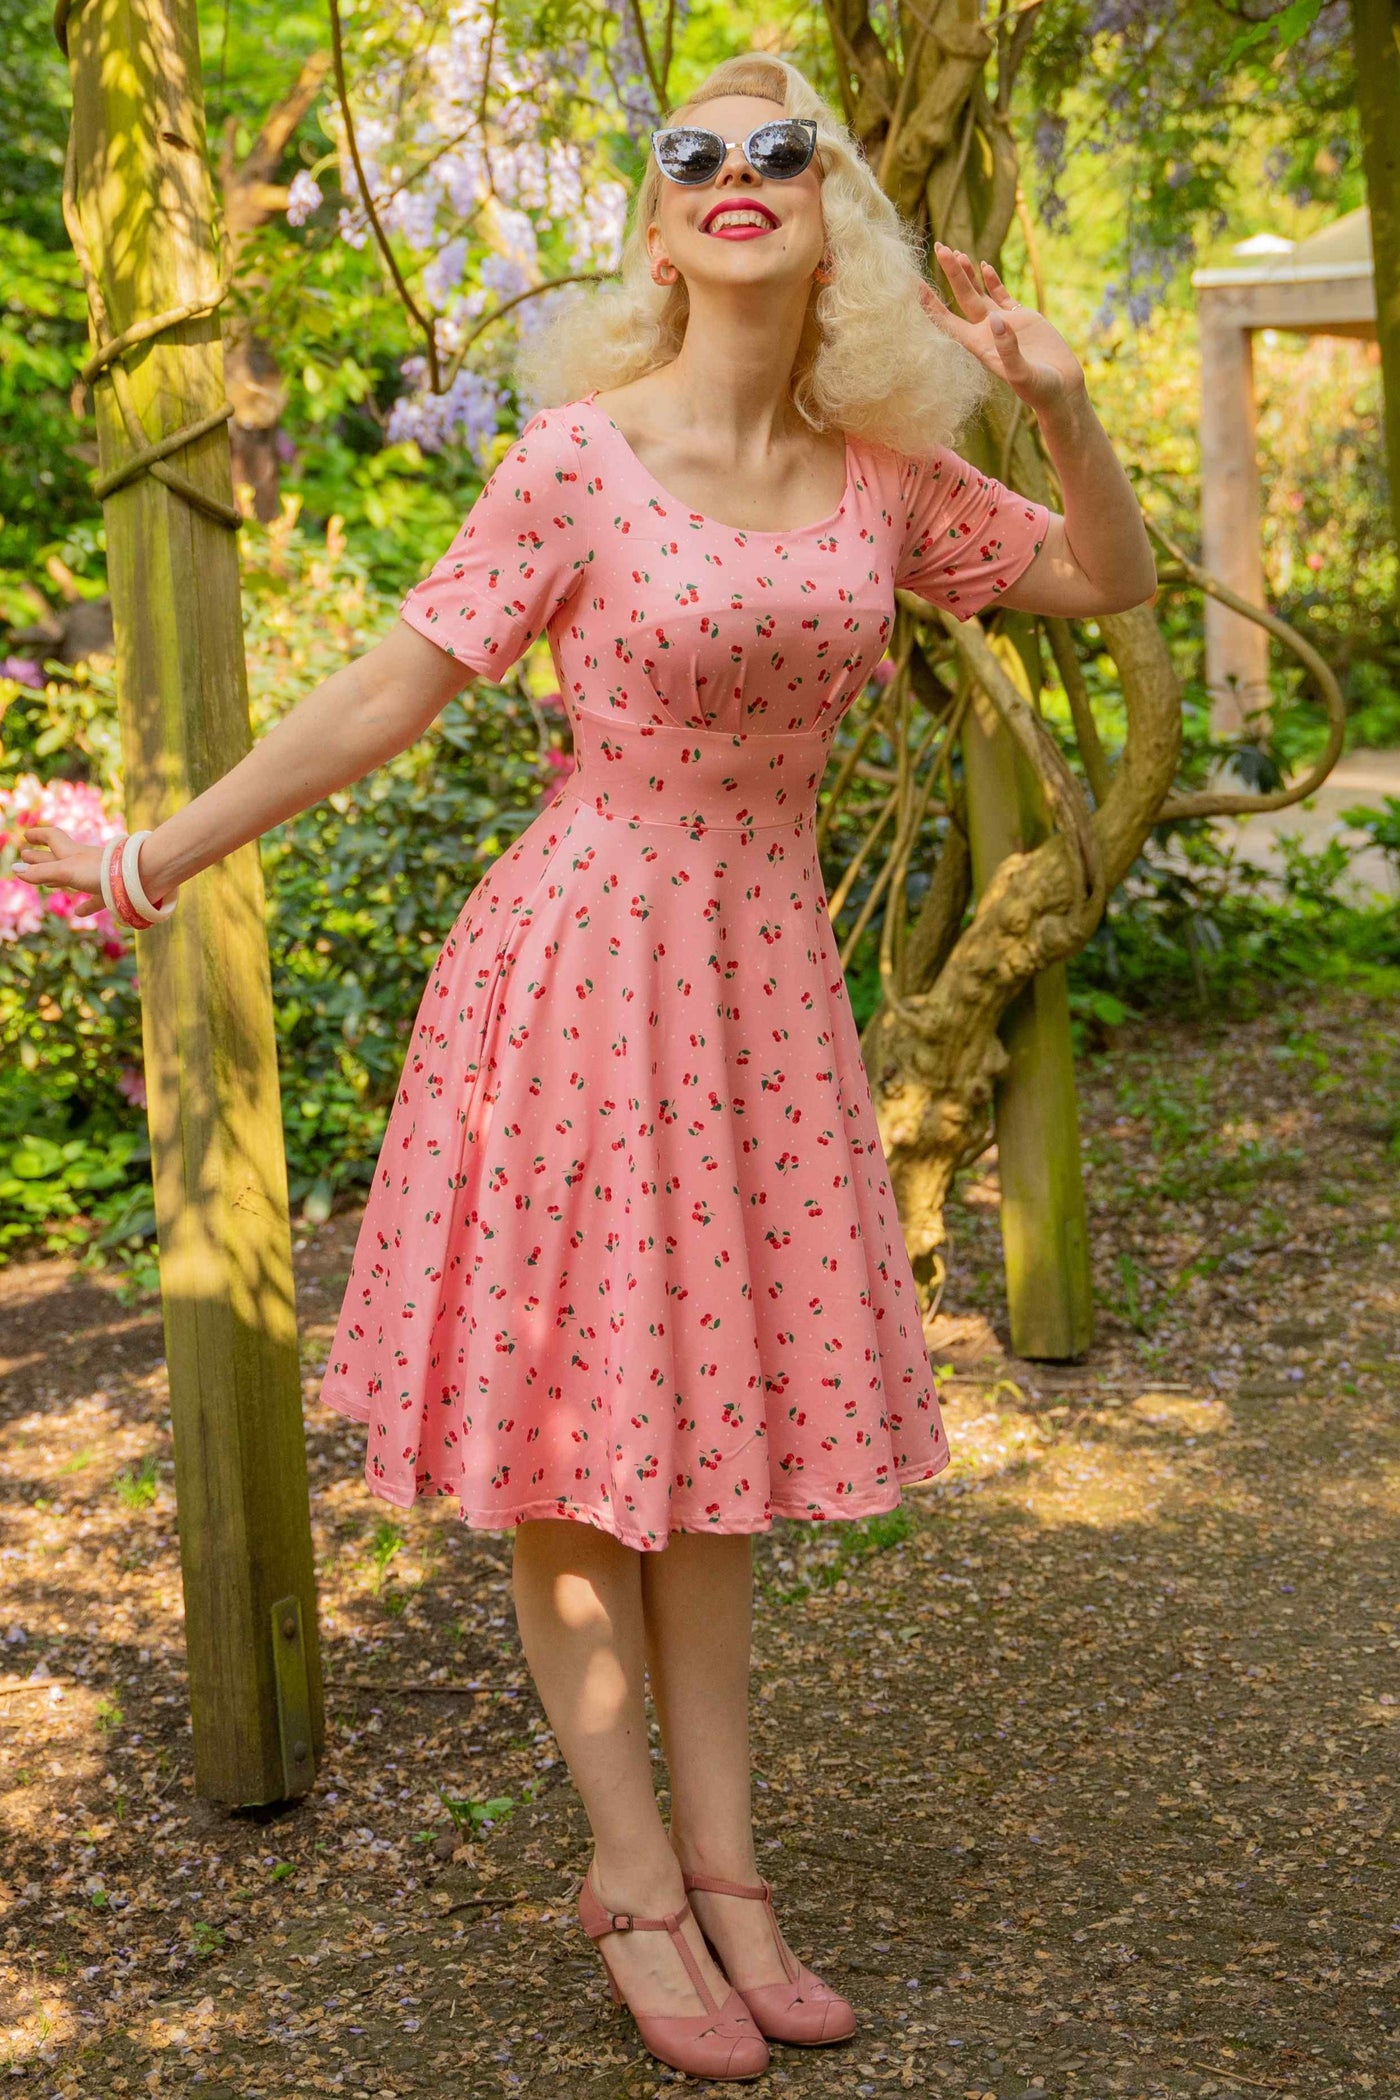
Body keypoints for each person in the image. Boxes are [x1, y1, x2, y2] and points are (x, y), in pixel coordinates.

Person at [17, 49, 1156, 2085]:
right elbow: (391, 686)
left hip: (757, 994)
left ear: (832, 228)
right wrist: (158, 855)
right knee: (578, 1446)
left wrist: (1059, 399)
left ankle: (729, 1877)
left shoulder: (883, 474)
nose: (736, 174)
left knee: (707, 1457)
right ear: (653, 226)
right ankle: (629, 1872)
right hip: (577, 974)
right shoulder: (573, 459)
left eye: (780, 154)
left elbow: (1100, 581)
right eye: (693, 153)